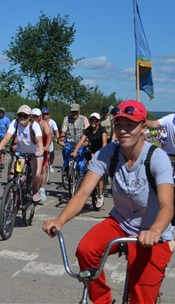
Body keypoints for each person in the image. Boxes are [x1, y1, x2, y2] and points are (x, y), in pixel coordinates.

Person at [43, 100, 174, 304]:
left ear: (143, 127)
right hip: (120, 222)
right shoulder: (110, 152)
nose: (123, 130)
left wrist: (155, 231)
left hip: (153, 232)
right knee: (86, 250)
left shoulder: (156, 158)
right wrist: (59, 221)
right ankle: (102, 301)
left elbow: (168, 205)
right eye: (119, 124)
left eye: (130, 125)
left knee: (141, 298)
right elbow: (83, 193)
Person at [0, 105, 44, 202]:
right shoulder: (15, 123)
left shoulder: (34, 125)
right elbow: (7, 137)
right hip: (21, 152)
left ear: (29, 116)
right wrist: (0, 147)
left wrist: (40, 151)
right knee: (15, 172)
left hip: (35, 153)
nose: (22, 118)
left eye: (25, 116)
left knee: (37, 174)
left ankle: (35, 190)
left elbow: (39, 139)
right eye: (20, 115)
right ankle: (12, 191)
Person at [72, 112, 108, 207]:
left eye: (95, 120)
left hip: (101, 150)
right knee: (87, 166)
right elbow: (81, 141)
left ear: (99, 121)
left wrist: (100, 153)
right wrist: (75, 151)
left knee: (99, 173)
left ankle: (100, 196)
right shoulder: (87, 130)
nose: (93, 122)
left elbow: (104, 142)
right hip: (92, 150)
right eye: (92, 120)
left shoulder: (102, 130)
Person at [59, 103, 89, 179]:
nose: (74, 113)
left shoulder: (84, 119)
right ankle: (66, 167)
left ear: (79, 111)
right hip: (70, 141)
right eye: (73, 111)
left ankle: (81, 176)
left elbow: (88, 131)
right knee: (65, 150)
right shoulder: (66, 119)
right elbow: (63, 132)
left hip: (81, 142)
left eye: (76, 111)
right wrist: (61, 140)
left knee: (80, 163)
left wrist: (87, 141)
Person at [32, 108, 52, 202]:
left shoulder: (43, 124)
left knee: (43, 169)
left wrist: (47, 145)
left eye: (37, 116)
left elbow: (49, 135)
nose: (35, 118)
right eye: (33, 116)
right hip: (32, 147)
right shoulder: (29, 123)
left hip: (42, 147)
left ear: (40, 117)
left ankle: (42, 189)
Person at [41, 108, 59, 173]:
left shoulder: (52, 122)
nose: (45, 116)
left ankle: (51, 165)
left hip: (50, 139)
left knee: (51, 153)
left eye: (46, 114)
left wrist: (58, 138)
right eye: (44, 114)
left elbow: (56, 131)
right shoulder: (40, 121)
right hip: (42, 139)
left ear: (49, 115)